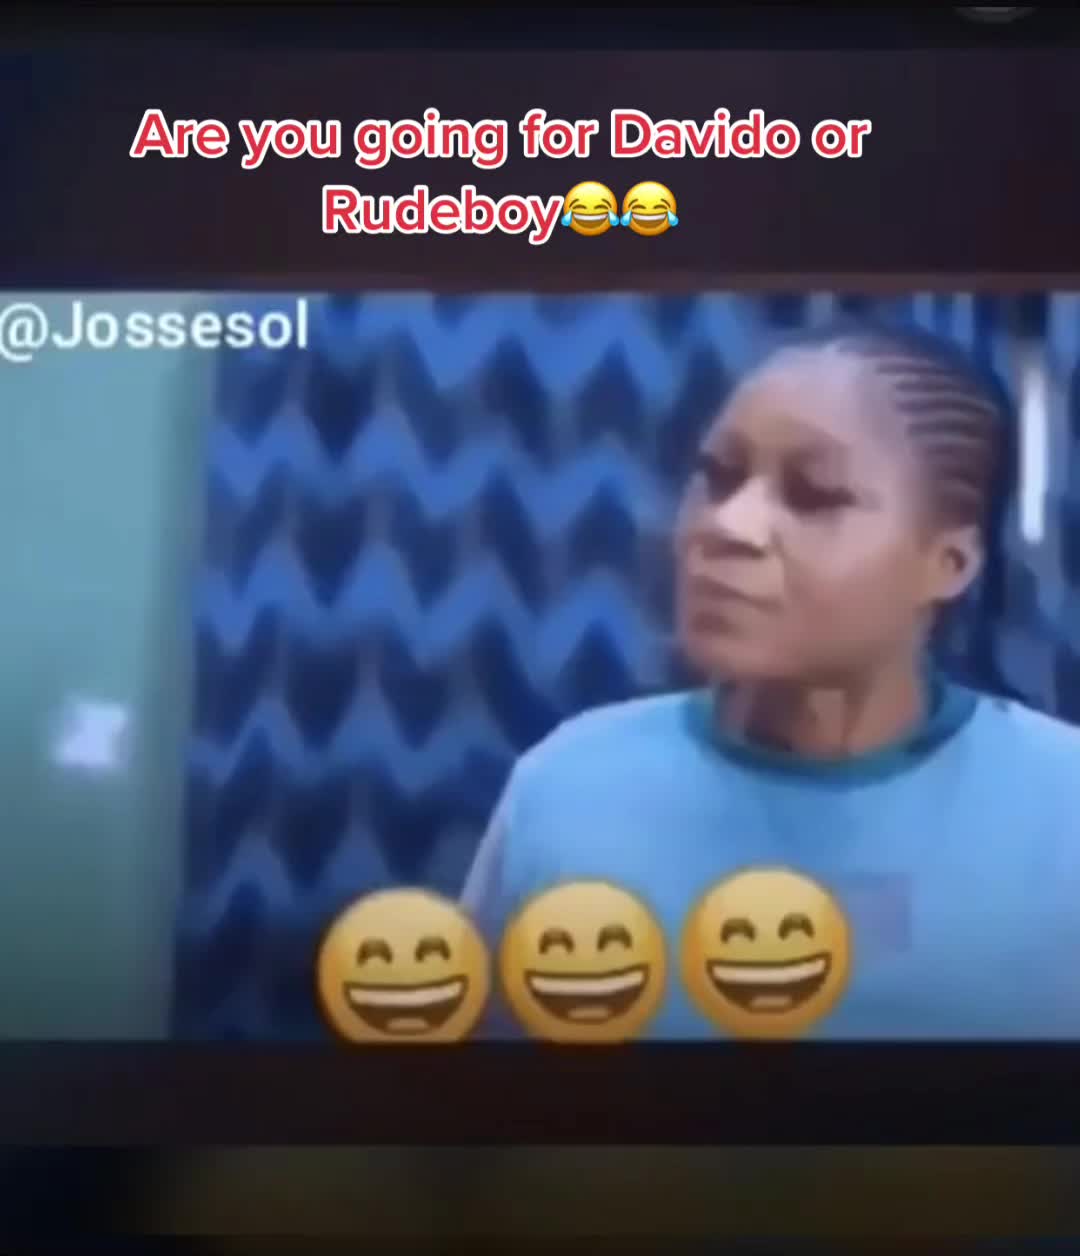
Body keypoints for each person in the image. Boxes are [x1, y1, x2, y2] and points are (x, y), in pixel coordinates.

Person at [459, 319, 1080, 1039]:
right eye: (717, 478)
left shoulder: (1061, 805)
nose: (729, 526)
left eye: (813, 495)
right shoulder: (568, 786)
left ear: (948, 564)